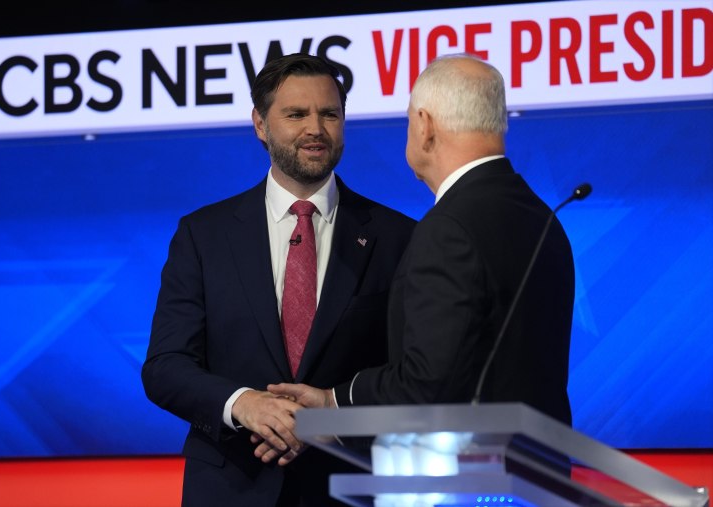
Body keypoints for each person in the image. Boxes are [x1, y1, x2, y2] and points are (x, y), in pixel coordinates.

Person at [141, 53, 416, 507]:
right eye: (296, 114)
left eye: (330, 114)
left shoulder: (399, 237)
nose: (316, 128)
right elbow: (165, 366)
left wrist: (331, 418)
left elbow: (412, 376)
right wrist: (242, 404)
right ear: (261, 124)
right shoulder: (203, 234)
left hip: (350, 487)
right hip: (230, 486)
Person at [267, 53, 576, 452]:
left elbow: (428, 381)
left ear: (425, 126)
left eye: (409, 119)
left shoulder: (448, 229)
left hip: (471, 478)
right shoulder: (541, 216)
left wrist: (334, 402)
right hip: (538, 470)